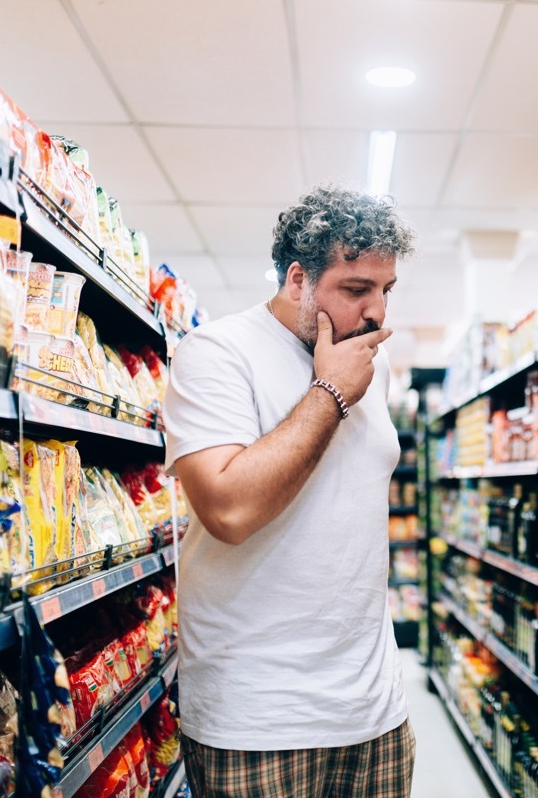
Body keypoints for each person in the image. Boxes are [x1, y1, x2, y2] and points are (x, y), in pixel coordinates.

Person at [163, 185, 417, 797]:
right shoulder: (216, 353)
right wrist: (328, 393)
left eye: (386, 290)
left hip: (374, 709)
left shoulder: (371, 366)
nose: (377, 312)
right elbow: (228, 509)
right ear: (299, 279)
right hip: (256, 716)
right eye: (356, 290)